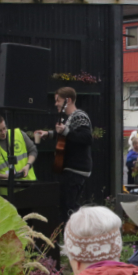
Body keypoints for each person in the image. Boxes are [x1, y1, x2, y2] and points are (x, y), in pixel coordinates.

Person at [34, 86, 93, 218]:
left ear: (68, 100)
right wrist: (48, 134)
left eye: (58, 100)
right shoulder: (71, 117)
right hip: (71, 168)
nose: (56, 104)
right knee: (67, 205)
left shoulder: (79, 116)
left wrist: (65, 131)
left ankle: (75, 228)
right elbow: (67, 136)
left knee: (69, 207)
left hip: (76, 169)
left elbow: (86, 138)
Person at [0, 114, 37, 193]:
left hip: (28, 184)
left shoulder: (19, 134)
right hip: (6, 190)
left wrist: (28, 165)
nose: (3, 132)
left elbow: (33, 150)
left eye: (4, 128)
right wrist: (5, 176)